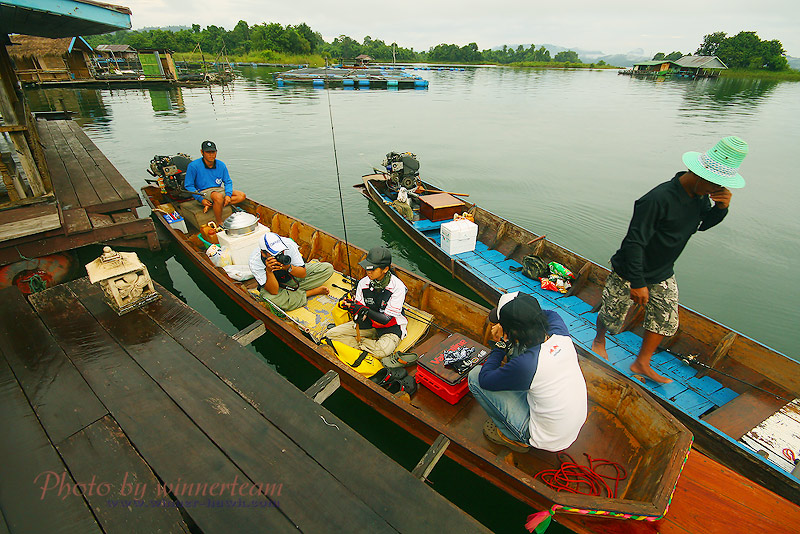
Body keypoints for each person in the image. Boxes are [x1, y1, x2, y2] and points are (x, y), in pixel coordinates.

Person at [592, 136, 748, 384]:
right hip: (629, 269)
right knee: (612, 316)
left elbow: (701, 225)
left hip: (663, 270)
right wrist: (638, 282)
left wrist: (720, 209)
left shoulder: (700, 197)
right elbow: (634, 242)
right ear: (698, 175)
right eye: (713, 184)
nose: (715, 190)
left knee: (665, 319)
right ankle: (599, 339)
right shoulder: (657, 199)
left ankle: (642, 362)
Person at [468, 292, 587, 453]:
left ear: (514, 331)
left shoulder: (527, 365)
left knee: (474, 375)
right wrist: (510, 329)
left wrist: (501, 345)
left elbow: (485, 379)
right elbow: (545, 315)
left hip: (544, 437)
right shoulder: (559, 331)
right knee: (519, 352)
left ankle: (514, 437)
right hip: (568, 429)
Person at [325, 246, 408, 358]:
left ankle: (360, 344)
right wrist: (354, 309)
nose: (368, 272)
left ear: (385, 269)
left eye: (372, 269)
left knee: (381, 352)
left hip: (390, 328)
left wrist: (364, 310)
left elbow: (385, 319)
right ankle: (366, 347)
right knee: (331, 334)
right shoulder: (363, 283)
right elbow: (361, 310)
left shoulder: (398, 287)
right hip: (370, 324)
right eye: (367, 269)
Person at [248, 231, 333, 312]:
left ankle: (292, 295)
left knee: (327, 269)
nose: (280, 255)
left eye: (281, 251)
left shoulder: (289, 244)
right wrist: (269, 271)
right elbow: (274, 291)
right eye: (275, 254)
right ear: (263, 253)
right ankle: (309, 293)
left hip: (292, 276)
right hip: (276, 285)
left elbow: (303, 273)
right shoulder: (254, 261)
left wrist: (288, 267)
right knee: (269, 299)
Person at [184, 140, 246, 224]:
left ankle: (214, 205)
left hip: (218, 190)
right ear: (202, 152)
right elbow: (189, 186)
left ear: (216, 152)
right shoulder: (193, 166)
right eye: (208, 152)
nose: (211, 155)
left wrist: (228, 195)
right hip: (203, 192)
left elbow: (228, 181)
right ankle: (219, 222)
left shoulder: (221, 165)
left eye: (213, 152)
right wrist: (201, 199)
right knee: (218, 197)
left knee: (241, 196)